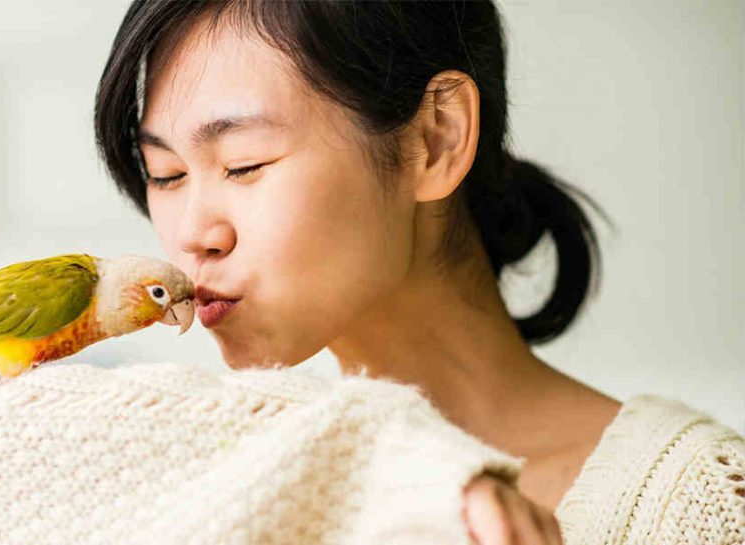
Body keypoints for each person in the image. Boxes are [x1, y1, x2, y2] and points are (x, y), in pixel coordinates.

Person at [93, 1, 745, 543]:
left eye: (243, 163)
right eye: (167, 175)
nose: (191, 235)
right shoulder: (238, 480)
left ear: (436, 138)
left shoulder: (694, 503)